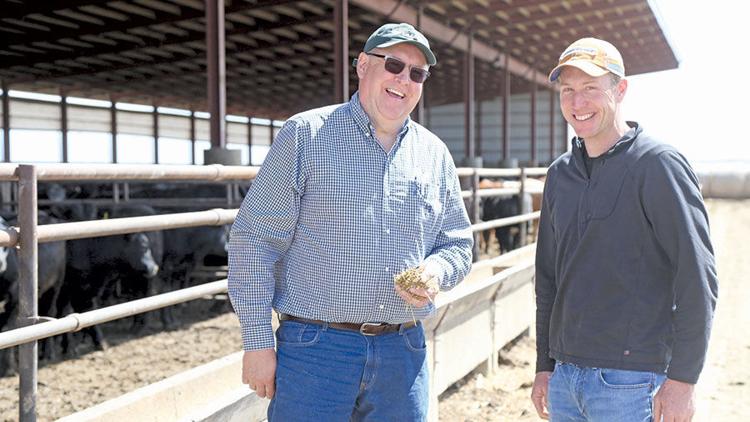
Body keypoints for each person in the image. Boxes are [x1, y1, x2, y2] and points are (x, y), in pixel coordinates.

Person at [228, 22, 473, 421]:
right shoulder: (305, 135)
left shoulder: (434, 154)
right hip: (316, 348)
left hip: (402, 350)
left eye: (417, 73)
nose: (403, 80)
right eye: (393, 64)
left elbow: (458, 244)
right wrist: (257, 342)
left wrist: (436, 270)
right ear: (362, 65)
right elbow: (254, 240)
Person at [530, 37, 718, 422]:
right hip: (566, 380)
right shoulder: (559, 175)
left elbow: (697, 279)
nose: (577, 103)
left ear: (620, 89)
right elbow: (547, 279)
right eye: (568, 90)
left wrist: (683, 380)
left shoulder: (658, 165)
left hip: (630, 383)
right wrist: (544, 365)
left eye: (589, 89)